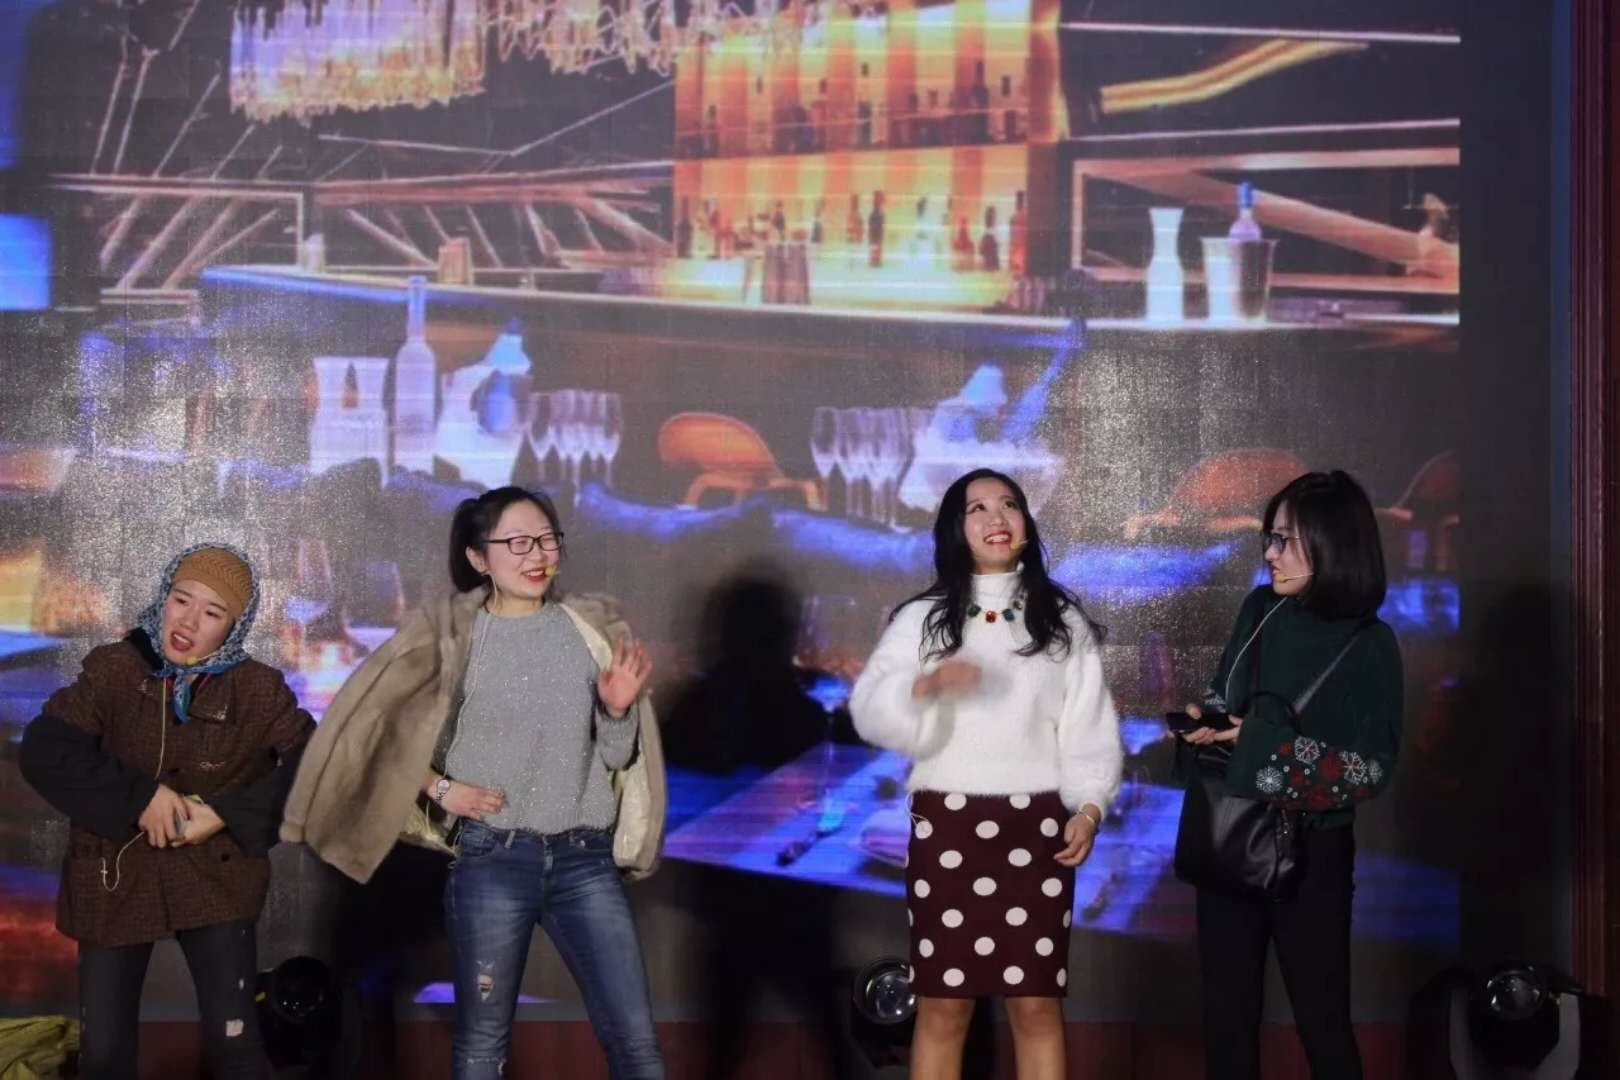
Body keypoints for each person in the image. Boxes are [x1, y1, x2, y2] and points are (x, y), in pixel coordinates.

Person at [280, 486, 667, 1080]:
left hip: (584, 861)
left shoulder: (587, 631)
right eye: (518, 542)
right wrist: (441, 789)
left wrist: (617, 711)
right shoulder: (450, 637)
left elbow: (616, 757)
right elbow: (383, 733)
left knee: (637, 1045)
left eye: (547, 539)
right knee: (483, 1048)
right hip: (494, 861)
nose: (538, 555)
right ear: (478, 557)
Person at [851, 468, 1122, 1079]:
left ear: (1026, 523)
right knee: (944, 1010)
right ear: (956, 528)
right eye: (977, 508)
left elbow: (1089, 728)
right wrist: (924, 686)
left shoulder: (1063, 621)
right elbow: (869, 708)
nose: (995, 518)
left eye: (1009, 504)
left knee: (1036, 1007)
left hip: (1038, 829)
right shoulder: (922, 618)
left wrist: (1089, 806)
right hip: (947, 825)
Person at [19, 543, 314, 1079]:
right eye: (182, 600)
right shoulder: (112, 668)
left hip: (217, 876)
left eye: (212, 612)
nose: (188, 622)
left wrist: (225, 813)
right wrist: (140, 797)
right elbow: (45, 749)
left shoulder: (258, 689)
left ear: (235, 625)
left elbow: (319, 762)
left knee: (236, 1050)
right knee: (104, 1057)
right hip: (114, 876)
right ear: (164, 597)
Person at [1176, 470, 1402, 1080]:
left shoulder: (1371, 643)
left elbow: (1369, 770)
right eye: (1269, 538)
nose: (1270, 554)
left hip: (1313, 854)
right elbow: (1224, 694)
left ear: (1332, 544)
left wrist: (1255, 742)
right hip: (1230, 834)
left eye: (1285, 540)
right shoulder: (1259, 609)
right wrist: (1206, 721)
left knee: (1323, 1023)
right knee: (1225, 1021)